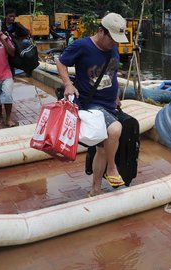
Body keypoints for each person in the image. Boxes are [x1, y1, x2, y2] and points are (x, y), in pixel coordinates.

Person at [55, 12, 129, 196]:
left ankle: (95, 190)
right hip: (91, 104)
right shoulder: (82, 46)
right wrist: (68, 84)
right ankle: (112, 169)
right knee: (115, 129)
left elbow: (111, 73)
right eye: (112, 38)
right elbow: (61, 63)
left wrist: (116, 95)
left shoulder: (113, 48)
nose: (115, 43)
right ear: (101, 31)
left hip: (109, 104)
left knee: (103, 149)